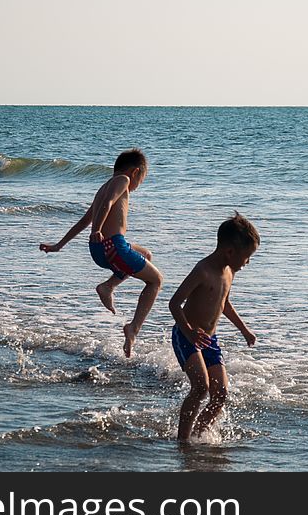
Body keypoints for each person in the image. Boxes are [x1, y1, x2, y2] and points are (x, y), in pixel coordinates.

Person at [40, 148, 163, 356]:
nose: (138, 185)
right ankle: (133, 329)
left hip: (99, 249)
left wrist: (59, 245)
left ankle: (108, 287)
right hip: (113, 246)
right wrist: (97, 229)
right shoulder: (123, 180)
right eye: (141, 179)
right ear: (135, 172)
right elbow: (106, 206)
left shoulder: (103, 187)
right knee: (156, 281)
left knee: (146, 255)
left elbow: (83, 220)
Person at [168, 213, 259, 441]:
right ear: (230, 251)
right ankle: (183, 441)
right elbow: (174, 303)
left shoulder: (230, 272)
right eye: (247, 257)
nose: (247, 263)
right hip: (186, 336)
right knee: (201, 387)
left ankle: (199, 435)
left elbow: (224, 303)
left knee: (221, 394)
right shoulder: (203, 271)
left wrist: (244, 330)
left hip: (210, 340)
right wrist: (189, 332)